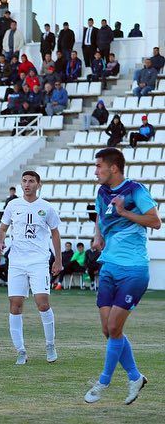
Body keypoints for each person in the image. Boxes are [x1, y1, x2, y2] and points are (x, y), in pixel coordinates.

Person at [84, 148, 160, 404]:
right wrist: (98, 237)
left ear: (113, 168)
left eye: (98, 166)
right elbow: (99, 218)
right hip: (109, 266)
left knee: (115, 327)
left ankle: (103, 381)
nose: (95, 171)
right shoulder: (102, 192)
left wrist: (124, 212)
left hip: (133, 269)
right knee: (108, 330)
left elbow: (155, 221)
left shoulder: (135, 190)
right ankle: (135, 377)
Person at [0, 170, 63, 365]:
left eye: (31, 181)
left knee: (42, 303)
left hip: (39, 261)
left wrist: (58, 260)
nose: (27, 184)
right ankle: (21, 350)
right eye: (24, 181)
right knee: (15, 305)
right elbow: (3, 228)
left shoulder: (46, 208)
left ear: (38, 184)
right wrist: (0, 242)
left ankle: (50, 345)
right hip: (16, 261)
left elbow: (55, 234)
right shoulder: (13, 205)